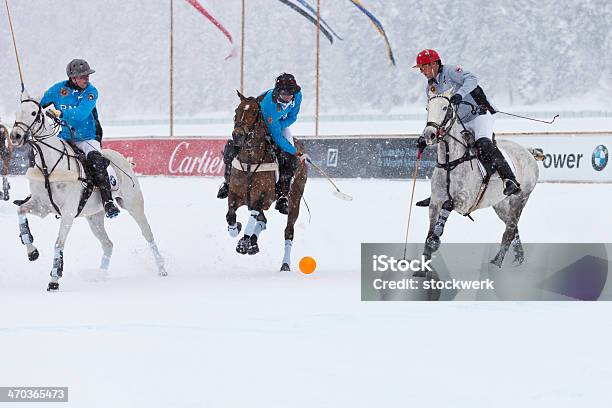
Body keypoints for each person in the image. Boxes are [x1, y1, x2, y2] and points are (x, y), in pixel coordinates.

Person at [413, 49, 520, 207]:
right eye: (420, 68)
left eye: (423, 67)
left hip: (480, 114)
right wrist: (425, 135)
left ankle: (509, 180)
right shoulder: (430, 88)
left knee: (483, 143)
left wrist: (460, 94)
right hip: (460, 121)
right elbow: (435, 115)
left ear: (434, 64)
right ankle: (439, 193)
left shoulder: (450, 72)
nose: (421, 71)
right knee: (447, 148)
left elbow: (472, 79)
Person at [217, 73, 309, 214]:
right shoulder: (268, 106)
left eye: (290, 92)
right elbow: (277, 138)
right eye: (284, 93)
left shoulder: (298, 95)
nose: (288, 96)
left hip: (278, 124)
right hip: (260, 124)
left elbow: (293, 116)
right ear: (278, 91)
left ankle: (282, 196)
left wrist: (280, 125)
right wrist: (277, 128)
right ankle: (227, 182)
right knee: (231, 147)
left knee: (290, 159)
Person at [40, 58, 119, 218]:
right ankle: (46, 197)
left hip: (87, 137)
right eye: (83, 76)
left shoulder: (91, 92)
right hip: (65, 136)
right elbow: (42, 103)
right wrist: (30, 103)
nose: (86, 78)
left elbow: (81, 114)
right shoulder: (58, 90)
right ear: (72, 77)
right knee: (46, 157)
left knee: (96, 162)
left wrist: (59, 113)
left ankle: (108, 202)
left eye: (87, 75)